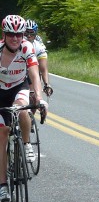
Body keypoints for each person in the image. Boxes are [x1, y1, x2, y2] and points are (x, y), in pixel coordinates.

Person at [0, 15, 48, 201]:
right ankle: (2, 185)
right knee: (2, 133)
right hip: (1, 91)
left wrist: (39, 98)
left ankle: (26, 143)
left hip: (19, 87)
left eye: (19, 34)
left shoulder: (27, 48)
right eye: (11, 34)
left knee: (22, 108)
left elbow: (35, 76)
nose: (15, 38)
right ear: (4, 35)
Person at [25, 19, 53, 98]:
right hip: (17, 74)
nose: (29, 36)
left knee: (35, 99)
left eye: (32, 33)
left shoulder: (38, 46)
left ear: (35, 34)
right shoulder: (16, 45)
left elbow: (43, 69)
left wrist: (47, 84)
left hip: (31, 73)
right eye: (26, 33)